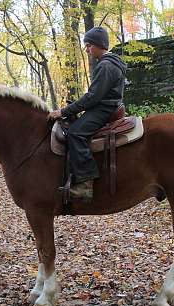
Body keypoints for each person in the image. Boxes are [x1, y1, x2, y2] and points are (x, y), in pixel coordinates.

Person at [47, 26, 127, 201]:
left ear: (99, 45)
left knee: (75, 133)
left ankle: (85, 184)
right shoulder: (109, 64)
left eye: (89, 45)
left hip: (103, 109)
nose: (87, 49)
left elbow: (92, 97)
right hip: (107, 107)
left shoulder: (106, 66)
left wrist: (63, 111)